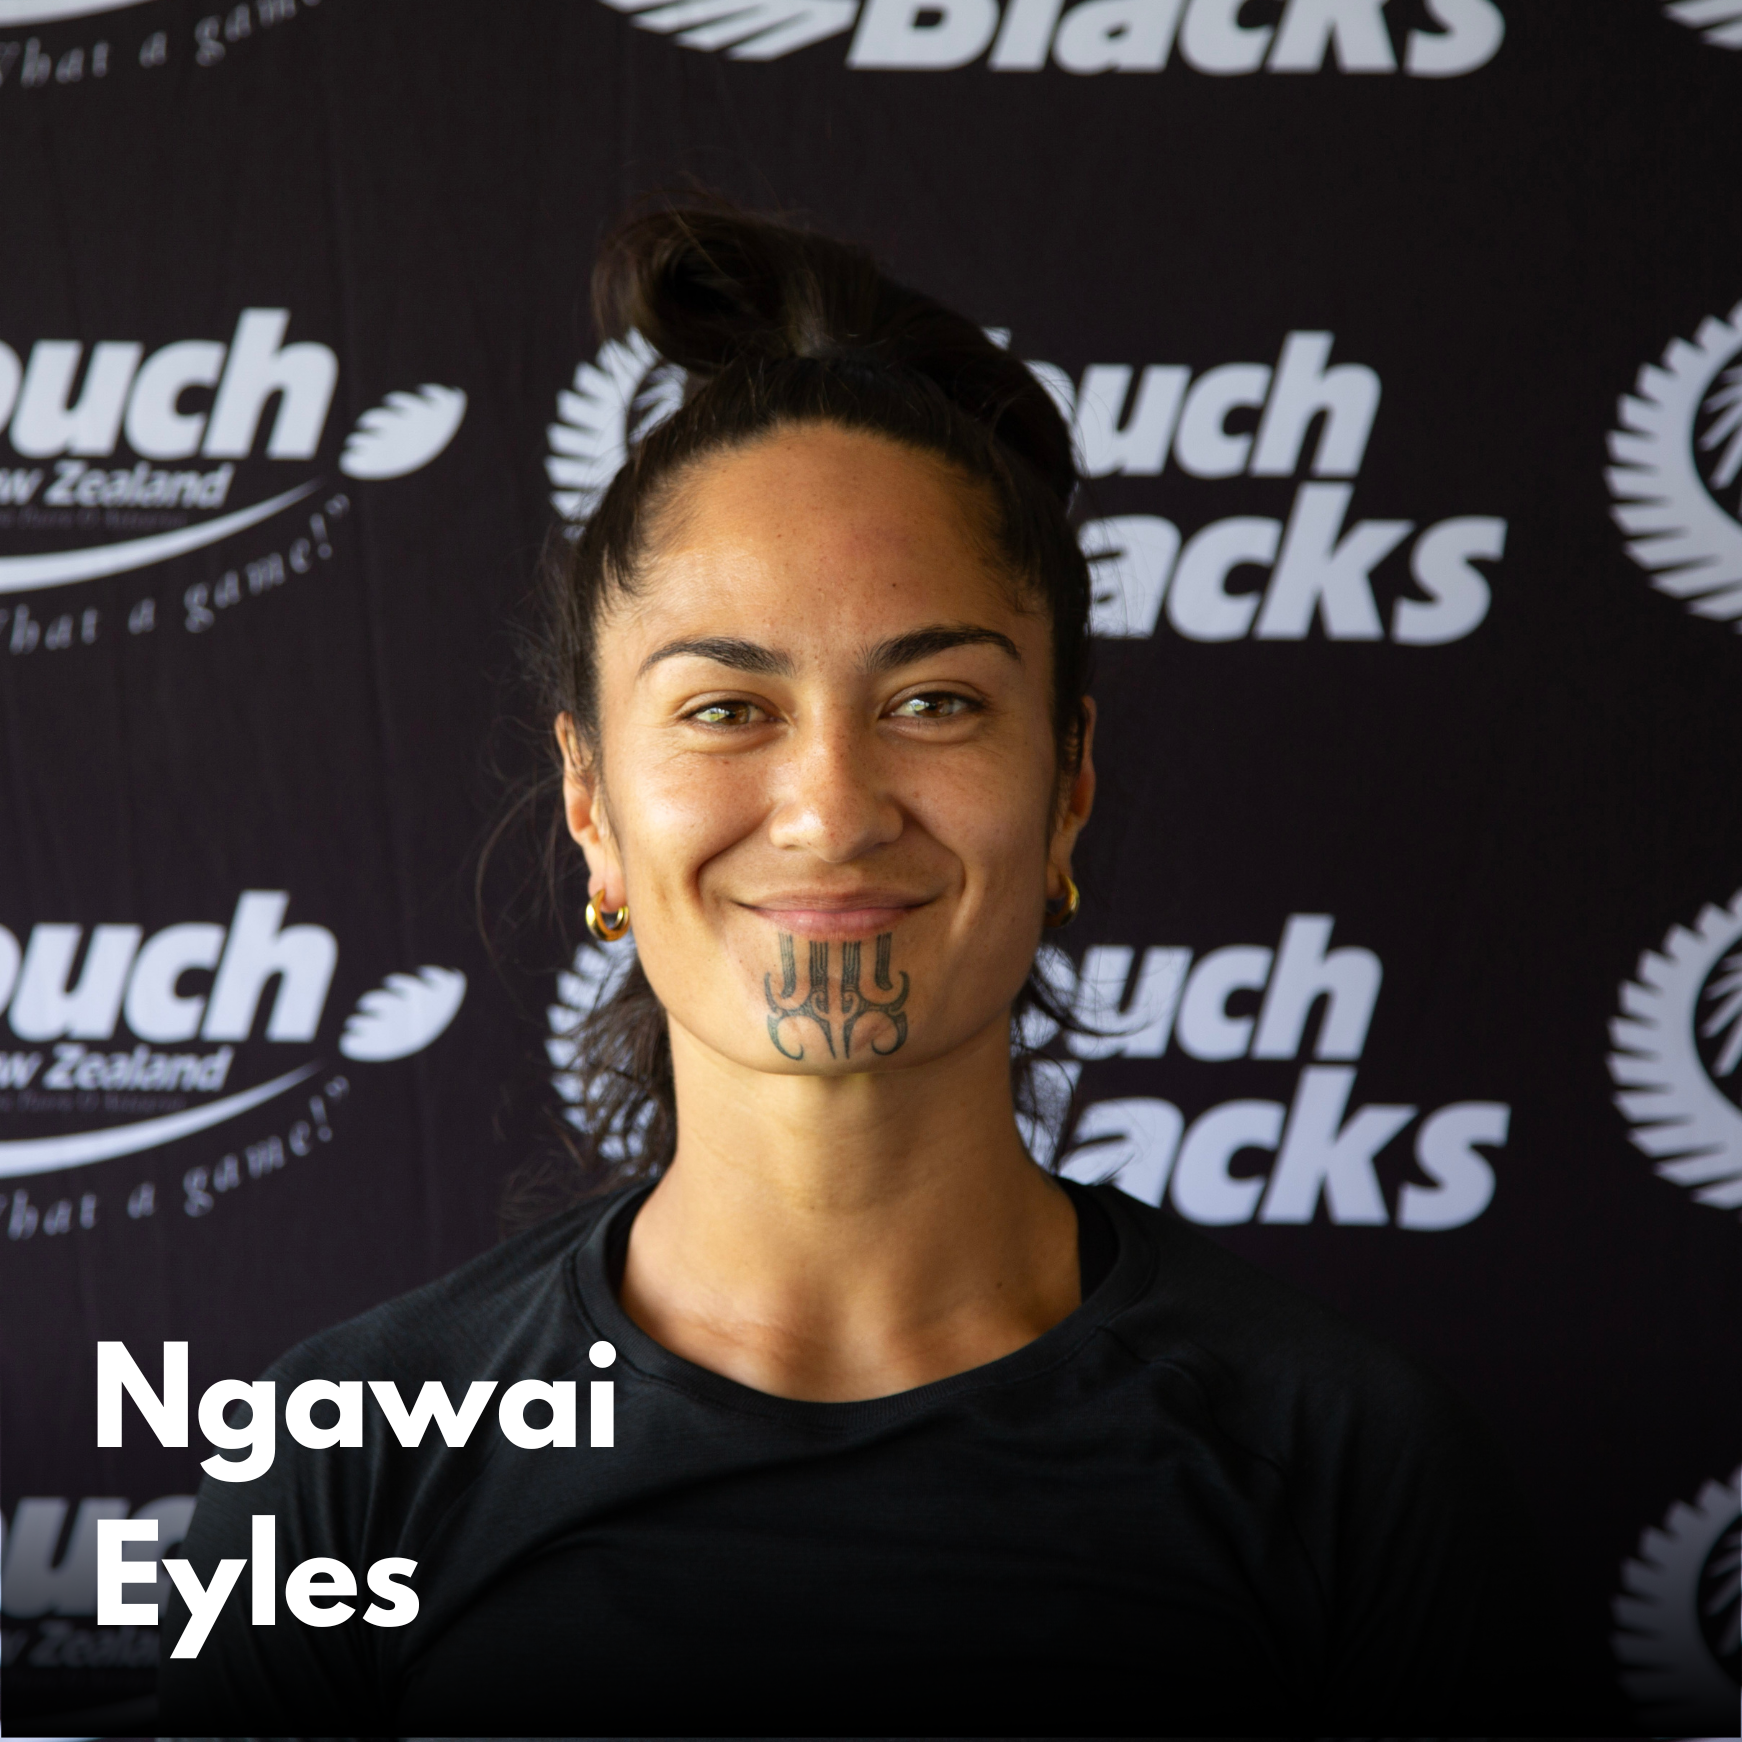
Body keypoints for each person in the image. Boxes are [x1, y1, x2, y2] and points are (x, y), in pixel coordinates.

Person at [159, 204, 1538, 1736]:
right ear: (591, 805)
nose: (829, 807)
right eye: (725, 710)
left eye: (935, 700)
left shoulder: (1351, 1470)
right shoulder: (346, 1467)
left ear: (1068, 780)